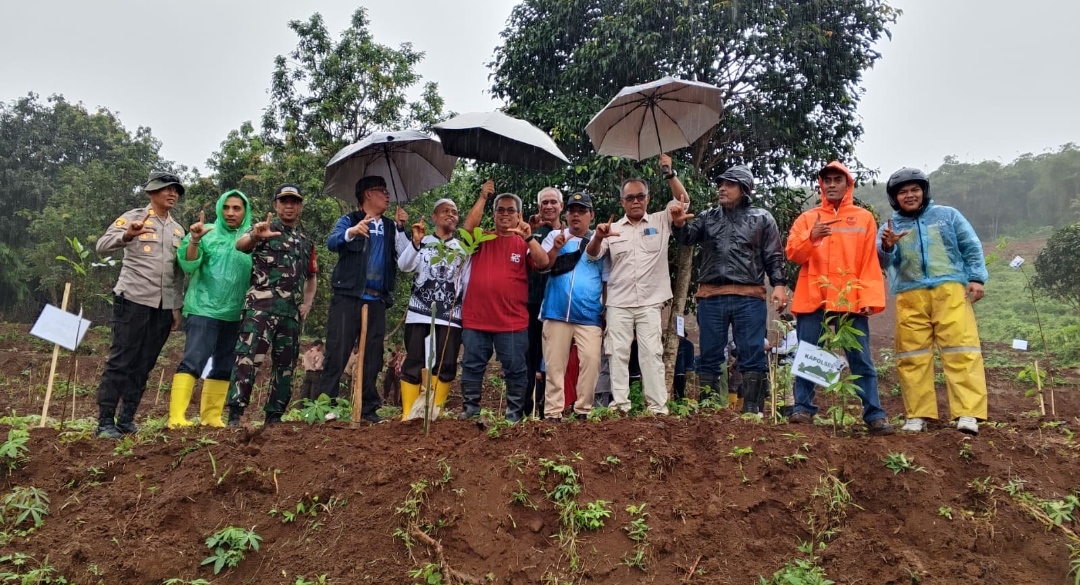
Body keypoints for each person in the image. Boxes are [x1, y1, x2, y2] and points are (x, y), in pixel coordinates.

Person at [785, 161, 893, 436]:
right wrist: (812, 238)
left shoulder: (864, 218)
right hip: (814, 298)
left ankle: (874, 415)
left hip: (850, 300)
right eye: (827, 180)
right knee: (809, 353)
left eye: (837, 179)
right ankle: (803, 409)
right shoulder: (808, 218)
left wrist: (867, 297)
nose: (831, 184)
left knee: (861, 358)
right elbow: (793, 255)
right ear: (821, 185)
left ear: (848, 184)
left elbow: (869, 261)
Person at [879, 167, 988, 435]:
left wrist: (976, 278)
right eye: (902, 192)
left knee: (961, 350)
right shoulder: (889, 227)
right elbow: (881, 263)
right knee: (912, 356)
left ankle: (968, 413)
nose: (910, 195)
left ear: (924, 191)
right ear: (895, 198)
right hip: (909, 294)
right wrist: (888, 246)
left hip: (950, 290)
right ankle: (917, 415)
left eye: (915, 189)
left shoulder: (947, 216)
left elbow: (970, 246)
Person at [672, 164, 788, 415]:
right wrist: (679, 225)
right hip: (712, 295)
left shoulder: (762, 218)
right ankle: (711, 410)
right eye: (720, 184)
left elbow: (774, 255)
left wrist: (778, 284)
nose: (722, 189)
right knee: (711, 353)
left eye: (729, 184)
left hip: (749, 296)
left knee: (752, 352)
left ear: (744, 189)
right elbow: (687, 239)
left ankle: (752, 410)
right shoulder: (708, 216)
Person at [585, 154, 690, 415]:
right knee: (617, 354)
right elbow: (591, 255)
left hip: (650, 302)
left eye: (640, 196)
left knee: (651, 355)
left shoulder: (660, 221)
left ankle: (657, 409)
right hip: (618, 303)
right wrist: (598, 236)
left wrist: (669, 173)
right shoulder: (612, 228)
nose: (635, 201)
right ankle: (620, 406)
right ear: (622, 202)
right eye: (630, 198)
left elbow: (683, 201)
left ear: (648, 199)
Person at [93, 171, 186, 439]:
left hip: (163, 308)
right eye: (166, 189)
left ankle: (126, 419)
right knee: (121, 360)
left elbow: (177, 274)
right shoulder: (133, 218)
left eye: (175, 190)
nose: (172, 194)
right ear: (150, 193)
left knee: (145, 363)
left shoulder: (178, 229)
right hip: (133, 300)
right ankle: (105, 421)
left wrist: (176, 307)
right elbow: (102, 246)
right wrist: (127, 236)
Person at [316, 176, 411, 424]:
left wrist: (402, 229)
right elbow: (332, 242)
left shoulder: (391, 226)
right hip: (348, 296)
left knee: (373, 357)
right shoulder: (350, 220)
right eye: (382, 191)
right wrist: (352, 232)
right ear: (368, 194)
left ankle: (369, 408)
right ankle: (325, 406)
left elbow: (405, 259)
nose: (387, 196)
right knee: (338, 351)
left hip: (377, 299)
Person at [226, 185, 318, 426]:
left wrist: (307, 304)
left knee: (285, 365)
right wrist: (257, 235)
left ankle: (274, 416)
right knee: (247, 359)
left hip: (290, 313)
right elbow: (241, 245)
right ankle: (235, 414)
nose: (289, 206)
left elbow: (311, 276)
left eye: (294, 202)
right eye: (284, 201)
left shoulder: (305, 242)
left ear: (300, 207)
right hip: (260, 309)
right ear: (275, 205)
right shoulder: (263, 229)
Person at [458, 183, 551, 421]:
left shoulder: (524, 243)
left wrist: (528, 236)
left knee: (515, 369)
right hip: (476, 318)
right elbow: (467, 229)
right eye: (500, 210)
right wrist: (482, 196)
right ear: (494, 214)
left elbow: (542, 263)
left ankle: (513, 415)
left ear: (519, 216)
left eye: (511, 211)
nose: (505, 214)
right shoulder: (482, 238)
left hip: (512, 321)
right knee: (472, 365)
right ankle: (470, 410)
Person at [167, 190, 253, 428]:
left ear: (245, 211)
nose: (230, 213)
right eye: (226, 208)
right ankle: (176, 417)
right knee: (193, 360)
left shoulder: (252, 237)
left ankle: (211, 417)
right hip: (204, 309)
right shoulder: (208, 233)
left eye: (236, 208)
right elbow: (187, 263)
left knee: (225, 365)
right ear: (219, 209)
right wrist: (194, 239)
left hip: (236, 313)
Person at [539, 192, 607, 421]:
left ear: (591, 215)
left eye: (582, 211)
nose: (576, 215)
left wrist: (605, 310)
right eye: (572, 210)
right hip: (556, 312)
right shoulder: (554, 237)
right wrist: (556, 248)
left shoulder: (601, 241)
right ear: (566, 214)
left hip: (589, 315)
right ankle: (552, 413)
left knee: (591, 361)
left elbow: (604, 277)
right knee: (554, 365)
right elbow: (543, 265)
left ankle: (583, 411)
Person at [397, 198, 467, 419]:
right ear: (434, 217)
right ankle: (408, 412)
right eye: (445, 211)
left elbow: (465, 281)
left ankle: (435, 411)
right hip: (419, 313)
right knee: (415, 360)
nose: (451, 215)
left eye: (454, 212)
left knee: (446, 363)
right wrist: (415, 243)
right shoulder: (423, 241)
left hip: (450, 316)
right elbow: (404, 266)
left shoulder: (462, 248)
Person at [524, 187, 565, 418]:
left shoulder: (571, 233)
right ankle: (524, 410)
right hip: (530, 304)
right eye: (544, 203)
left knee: (553, 361)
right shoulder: (531, 232)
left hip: (557, 306)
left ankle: (549, 411)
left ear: (561, 206)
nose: (548, 206)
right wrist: (530, 230)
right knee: (528, 359)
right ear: (539, 206)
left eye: (553, 202)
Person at [673, 334, 695, 401]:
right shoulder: (672, 344)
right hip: (672, 371)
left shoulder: (688, 345)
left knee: (680, 390)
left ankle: (680, 403)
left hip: (681, 372)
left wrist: (688, 370)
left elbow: (690, 358)